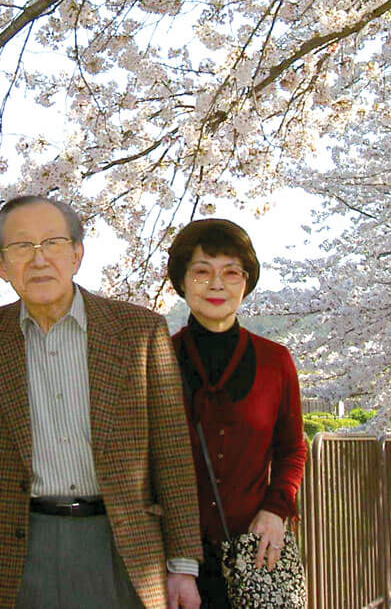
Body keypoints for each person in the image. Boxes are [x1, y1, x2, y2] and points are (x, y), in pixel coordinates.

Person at [0, 195, 202, 609]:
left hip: (124, 548)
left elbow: (172, 453)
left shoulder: (140, 332)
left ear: (77, 254)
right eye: (21, 247)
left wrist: (183, 565)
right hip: (15, 553)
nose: (39, 258)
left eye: (54, 243)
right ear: (0, 264)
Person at [166, 219, 308, 608]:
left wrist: (276, 511)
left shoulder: (274, 361)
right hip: (176, 559)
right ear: (182, 280)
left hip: (255, 550)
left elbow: (292, 448)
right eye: (201, 272)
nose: (217, 284)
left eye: (231, 272)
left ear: (246, 281)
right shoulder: (159, 356)